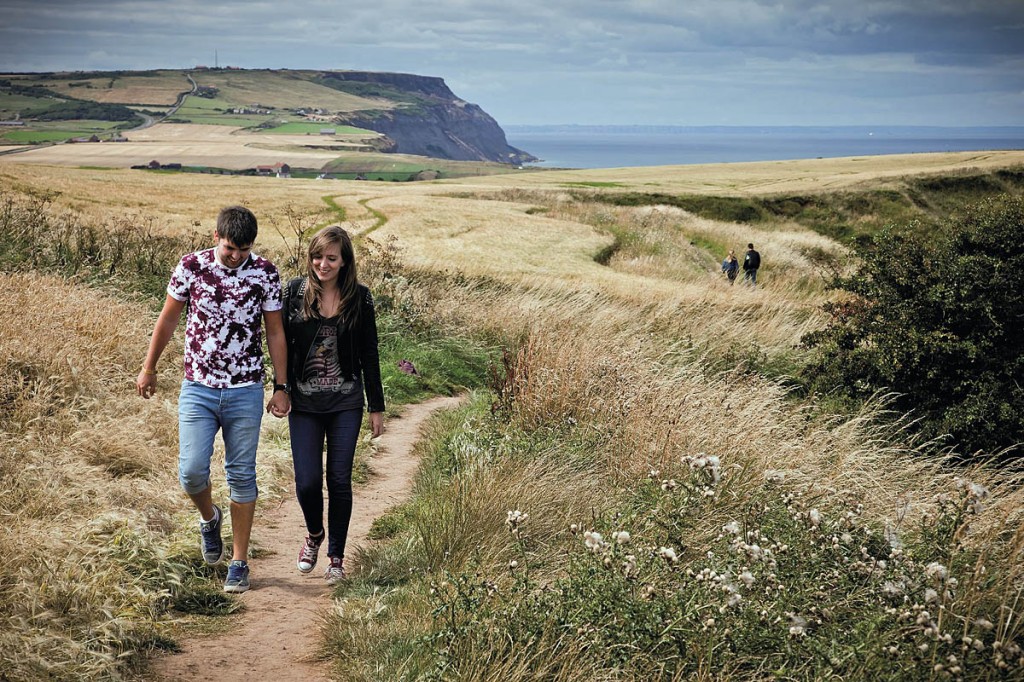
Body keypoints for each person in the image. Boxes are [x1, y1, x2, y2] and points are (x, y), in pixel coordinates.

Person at [137, 205, 290, 594]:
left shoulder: (266, 273)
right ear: (216, 237)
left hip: (245, 390)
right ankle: (209, 519)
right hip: (198, 388)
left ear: (251, 245)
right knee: (190, 471)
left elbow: (274, 332)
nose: (235, 255)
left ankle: (238, 562)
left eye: (243, 248)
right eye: (229, 247)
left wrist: (281, 385)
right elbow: (169, 319)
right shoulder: (191, 266)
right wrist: (149, 367)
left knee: (242, 475)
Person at [281, 225, 385, 584]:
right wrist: (279, 387)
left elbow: (370, 353)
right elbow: (279, 343)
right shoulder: (294, 292)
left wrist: (376, 406)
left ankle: (336, 558)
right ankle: (314, 534)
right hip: (305, 403)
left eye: (331, 258)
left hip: (346, 402)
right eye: (317, 256)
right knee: (308, 482)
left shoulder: (360, 297)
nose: (322, 264)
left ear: (344, 262)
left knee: (339, 479)